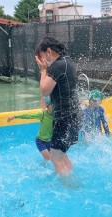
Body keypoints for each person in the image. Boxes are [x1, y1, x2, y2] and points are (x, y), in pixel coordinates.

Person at [35, 36, 81, 175]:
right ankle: (71, 180)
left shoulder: (58, 65)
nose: (44, 61)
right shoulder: (68, 62)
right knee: (62, 154)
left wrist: (43, 70)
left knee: (55, 157)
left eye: (43, 56)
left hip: (64, 118)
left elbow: (44, 90)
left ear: (49, 51)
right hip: (73, 115)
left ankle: (68, 188)